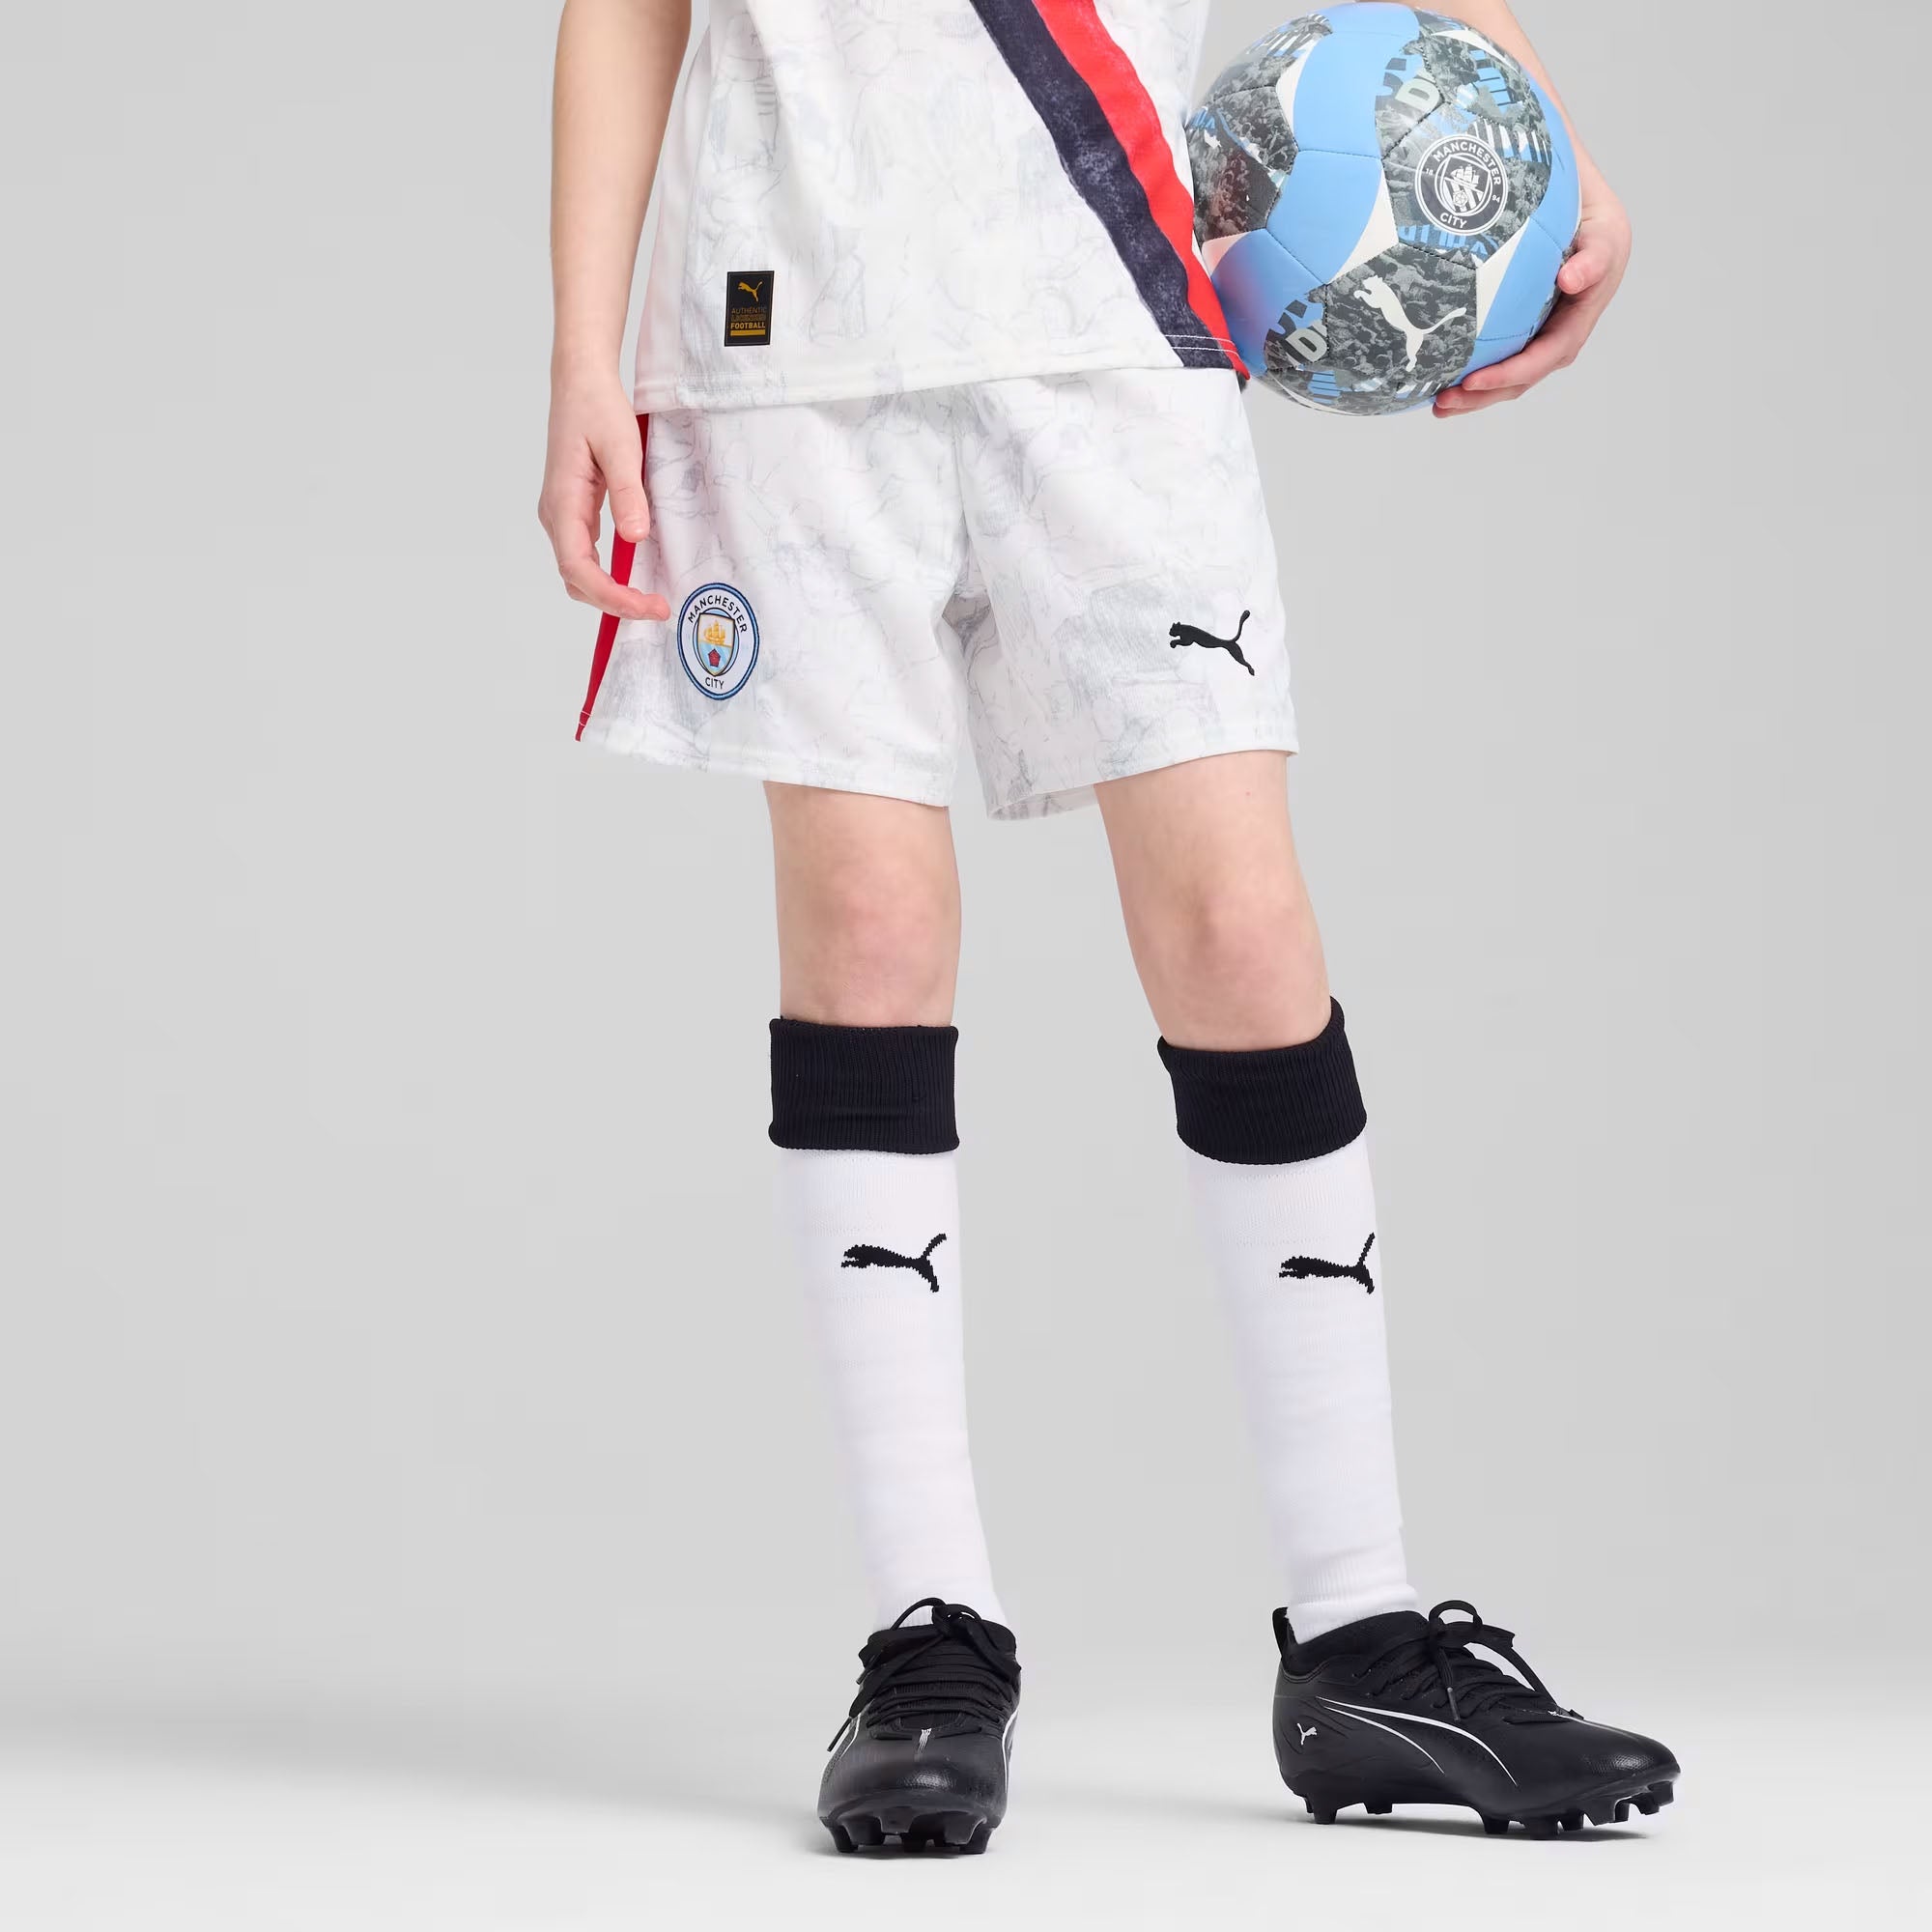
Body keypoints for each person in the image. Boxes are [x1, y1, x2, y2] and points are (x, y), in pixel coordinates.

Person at [540, 0, 1676, 1853]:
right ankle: (930, 1643)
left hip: (1113, 296)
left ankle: (1363, 1635)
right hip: (784, 323)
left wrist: (1534, 140)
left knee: (1238, 926)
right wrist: (581, 350)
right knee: (866, 924)